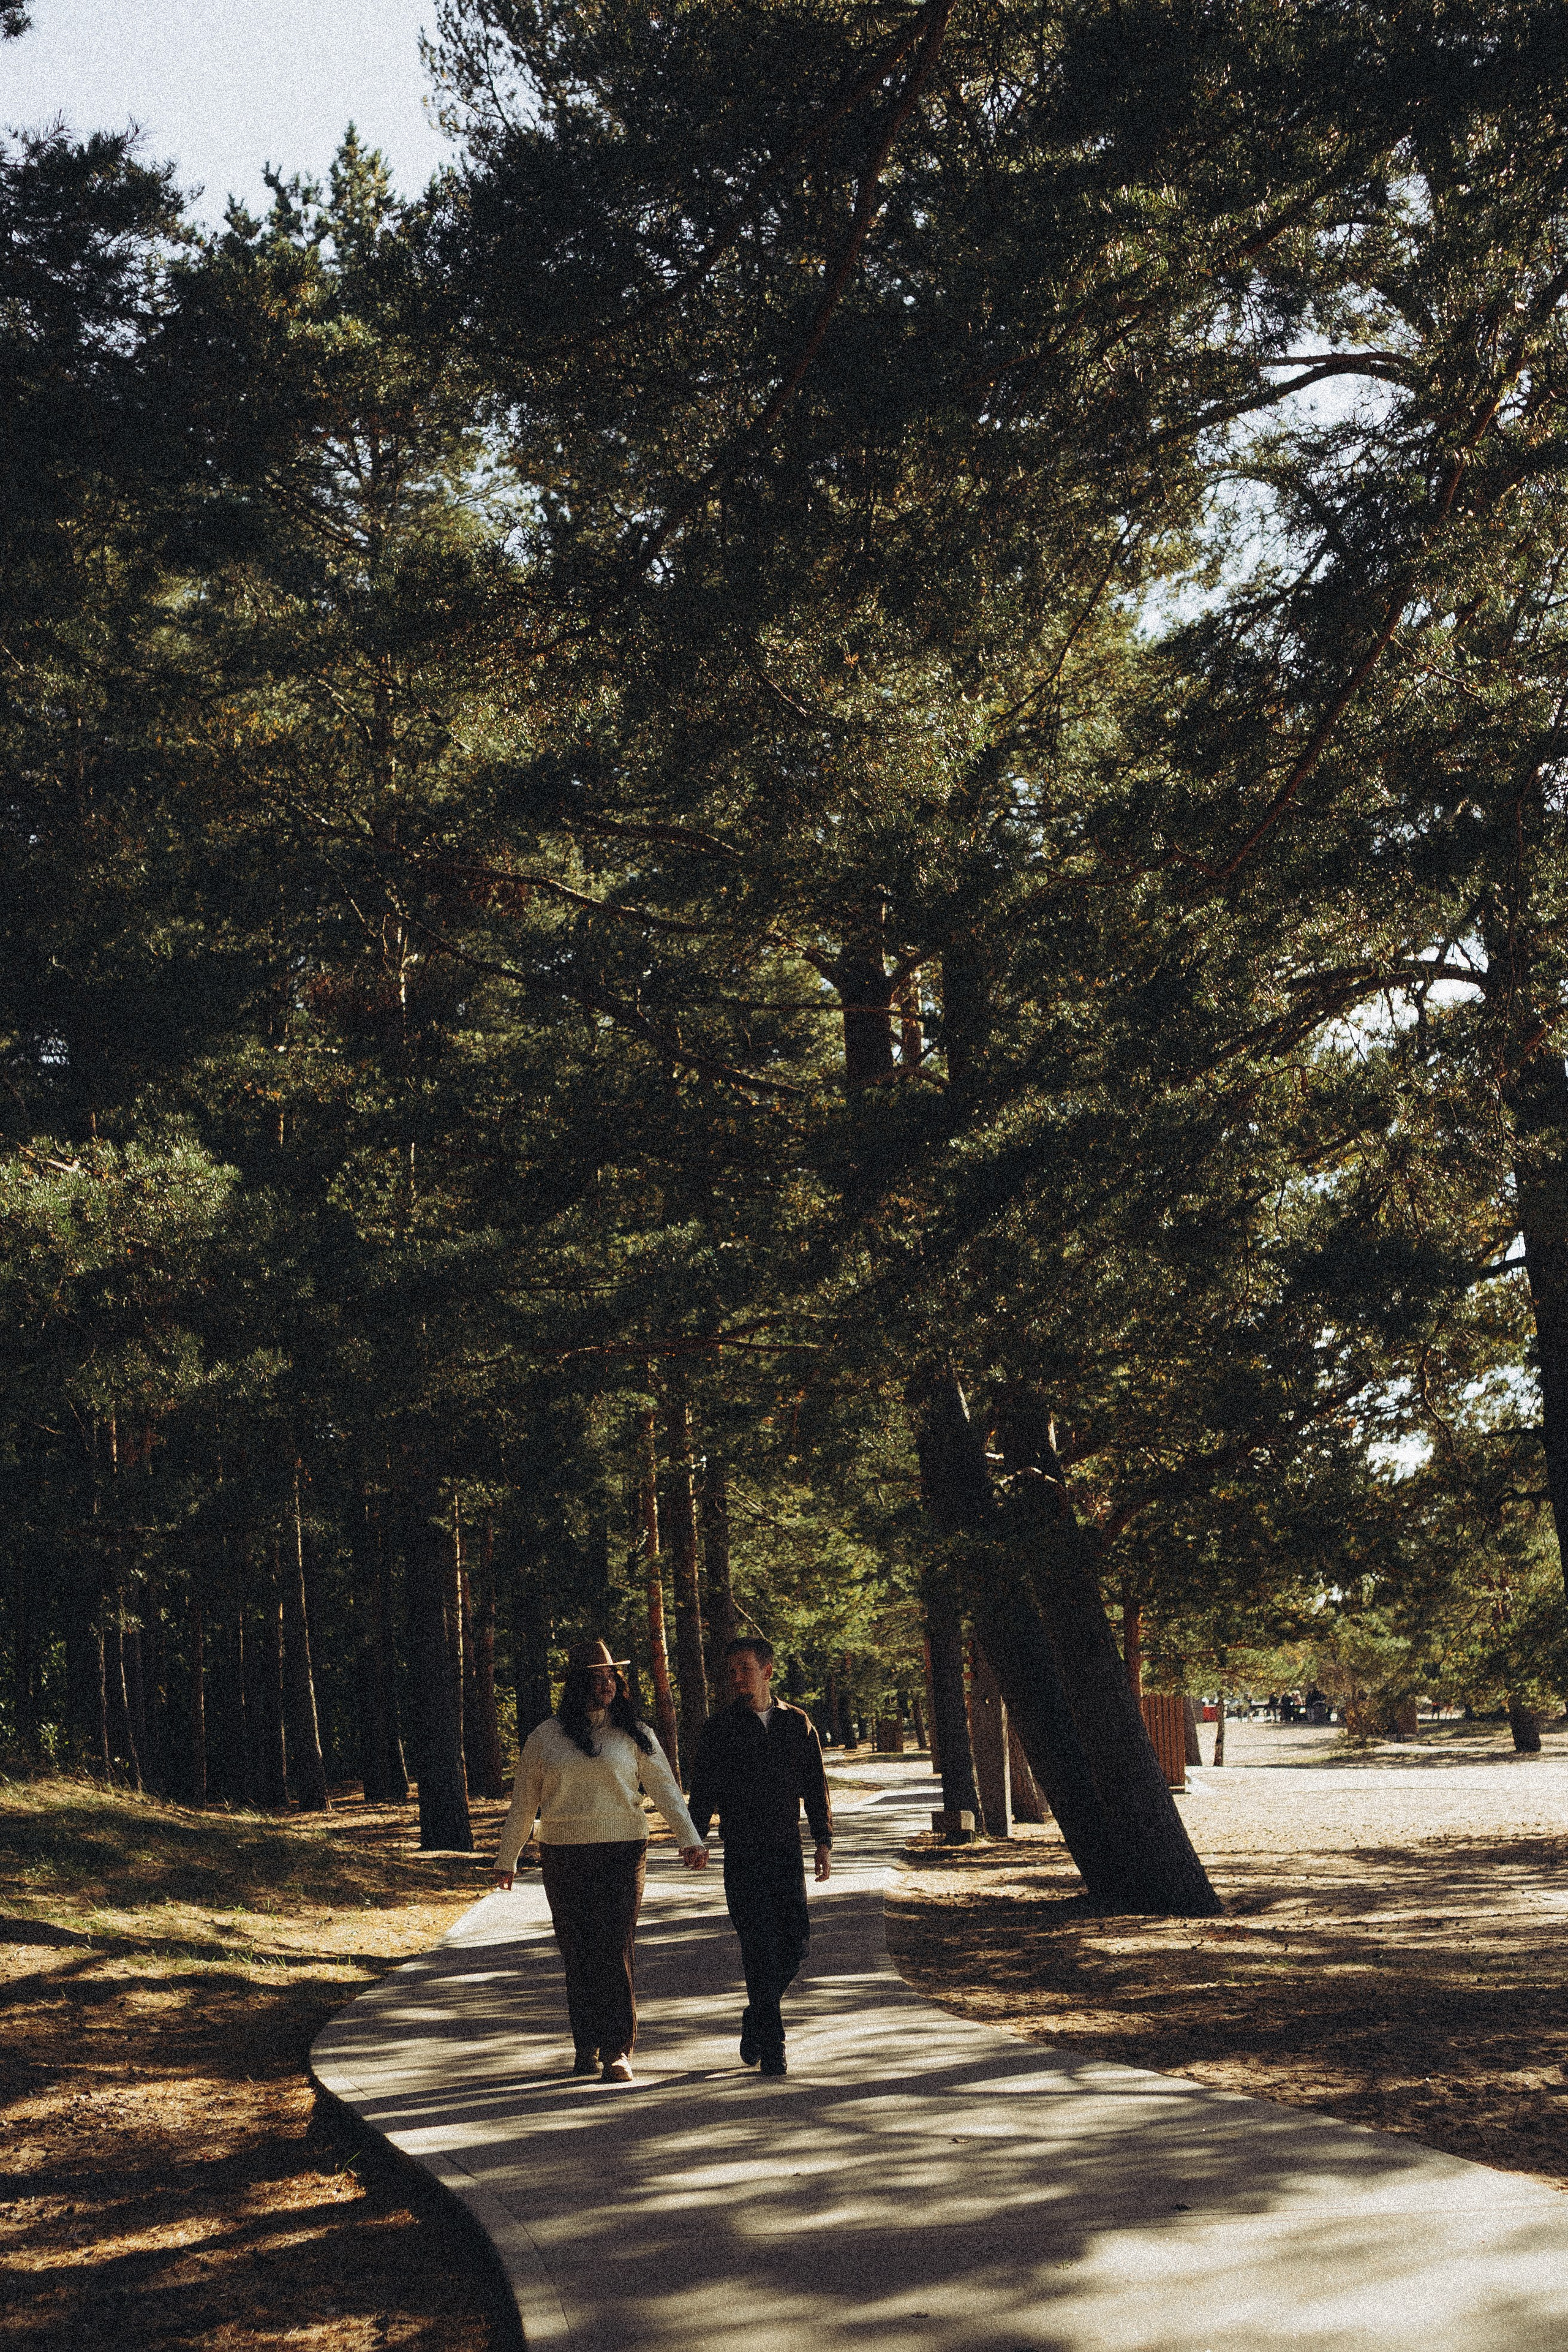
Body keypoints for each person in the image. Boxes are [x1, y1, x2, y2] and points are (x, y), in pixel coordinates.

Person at [492, 1637, 707, 2084]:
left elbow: (665, 1788)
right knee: (578, 1951)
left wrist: (689, 1838)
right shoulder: (545, 1737)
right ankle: (585, 2046)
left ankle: (616, 2051)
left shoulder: (635, 1734)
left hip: (623, 1850)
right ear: (576, 1684)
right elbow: (523, 1802)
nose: (606, 1683)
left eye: (611, 1675)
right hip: (563, 1854)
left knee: (613, 1949)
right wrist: (506, 1858)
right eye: (596, 1676)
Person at [687, 1634, 832, 2079]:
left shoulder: (797, 1723)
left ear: (767, 1671)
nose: (736, 1679)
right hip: (743, 1855)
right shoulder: (719, 1729)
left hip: (786, 1851)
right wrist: (694, 1838)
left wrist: (823, 1841)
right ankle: (774, 2045)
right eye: (731, 1672)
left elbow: (815, 1786)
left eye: (745, 1669)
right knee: (758, 1948)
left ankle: (756, 2016)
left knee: (796, 1946)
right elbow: (703, 1793)